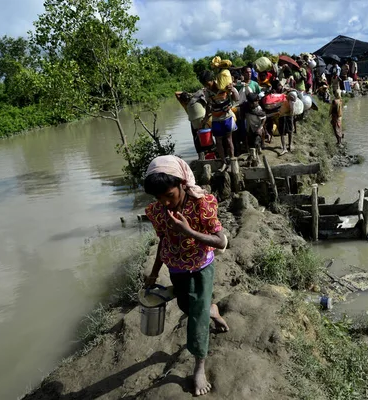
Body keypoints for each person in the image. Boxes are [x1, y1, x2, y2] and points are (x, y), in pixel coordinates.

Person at [144, 155, 229, 397]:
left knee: (196, 320)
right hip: (176, 267)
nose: (165, 203)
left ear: (182, 183)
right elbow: (163, 240)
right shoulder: (157, 211)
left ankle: (199, 366)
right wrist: (153, 272)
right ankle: (211, 310)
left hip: (201, 267)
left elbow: (220, 240)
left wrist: (188, 230)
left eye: (169, 196)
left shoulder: (202, 203)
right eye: (159, 198)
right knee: (186, 305)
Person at [199, 70, 239, 172]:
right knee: (218, 142)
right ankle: (223, 162)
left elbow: (236, 98)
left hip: (227, 117)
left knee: (229, 140)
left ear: (212, 80)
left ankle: (232, 161)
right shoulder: (207, 91)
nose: (206, 86)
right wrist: (205, 119)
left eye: (207, 83)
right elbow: (208, 105)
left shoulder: (223, 85)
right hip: (216, 118)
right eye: (204, 84)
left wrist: (232, 90)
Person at [176, 91, 207, 160]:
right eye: (185, 101)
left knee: (204, 136)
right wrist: (190, 94)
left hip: (199, 120)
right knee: (197, 138)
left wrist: (190, 94)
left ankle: (206, 154)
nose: (187, 102)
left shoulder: (192, 101)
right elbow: (176, 93)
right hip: (193, 121)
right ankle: (201, 156)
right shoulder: (184, 103)